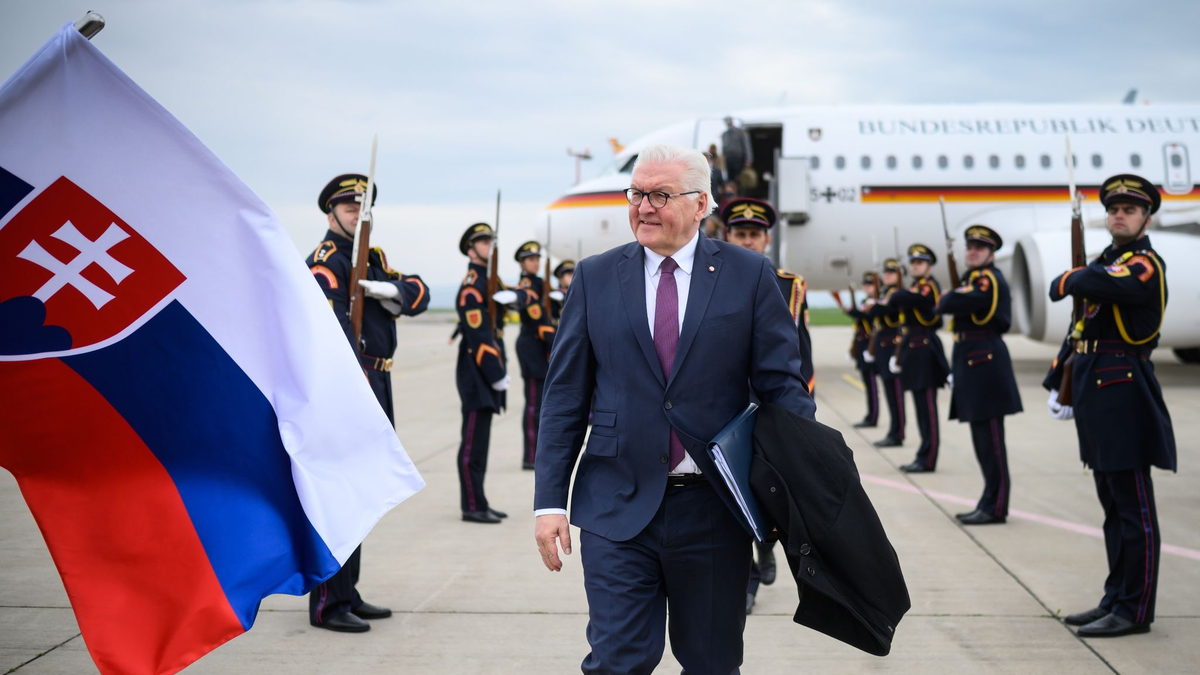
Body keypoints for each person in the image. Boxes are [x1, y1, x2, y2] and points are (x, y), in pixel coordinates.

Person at [534, 144, 815, 674]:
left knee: (712, 664)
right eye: (636, 194)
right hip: (615, 504)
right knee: (618, 660)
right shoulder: (595, 277)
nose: (643, 207)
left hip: (714, 510)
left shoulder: (749, 275)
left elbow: (783, 388)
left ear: (700, 203)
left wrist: (812, 480)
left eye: (660, 195)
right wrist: (549, 502)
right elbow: (564, 397)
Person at [1044, 174, 1175, 637]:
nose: (1119, 215)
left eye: (1130, 210)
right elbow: (1080, 323)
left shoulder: (1143, 265)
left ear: (1146, 219)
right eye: (1114, 209)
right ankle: (1114, 597)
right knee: (1113, 506)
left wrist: (1073, 276)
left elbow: (1084, 283)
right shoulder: (1105, 265)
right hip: (1096, 389)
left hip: (1124, 390)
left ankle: (1135, 609)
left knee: (1134, 507)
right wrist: (1057, 379)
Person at [305, 173, 431, 633]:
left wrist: (392, 291)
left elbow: (419, 292)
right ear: (331, 214)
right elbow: (330, 329)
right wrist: (351, 384)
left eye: (363, 206)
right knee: (339, 492)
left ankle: (348, 592)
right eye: (349, 207)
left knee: (360, 490)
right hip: (347, 385)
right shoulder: (326, 262)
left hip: (377, 379)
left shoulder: (371, 258)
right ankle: (328, 603)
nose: (358, 213)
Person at [719, 196, 814, 614]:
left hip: (772, 407)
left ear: (767, 239)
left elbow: (800, 351)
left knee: (770, 489)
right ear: (728, 236)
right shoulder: (711, 279)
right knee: (733, 493)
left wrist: (802, 412)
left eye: (755, 235)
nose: (748, 241)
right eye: (740, 234)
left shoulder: (789, 285)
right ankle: (748, 579)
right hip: (728, 408)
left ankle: (766, 547)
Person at [936, 226, 1023, 525]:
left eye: (980, 248)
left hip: (985, 362)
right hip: (972, 360)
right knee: (982, 440)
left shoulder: (988, 280)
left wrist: (950, 296)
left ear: (991, 253)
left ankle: (996, 506)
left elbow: (949, 303)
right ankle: (988, 500)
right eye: (970, 247)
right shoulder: (972, 279)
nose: (973, 251)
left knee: (991, 442)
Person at [455, 222, 511, 524]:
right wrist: (495, 372)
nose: (489, 245)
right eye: (483, 241)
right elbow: (478, 336)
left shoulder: (490, 281)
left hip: (486, 371)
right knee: (472, 442)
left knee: (482, 442)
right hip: (476, 371)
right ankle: (472, 505)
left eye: (490, 240)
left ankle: (481, 500)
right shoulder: (471, 286)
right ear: (471, 249)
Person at [886, 244, 950, 473]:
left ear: (929, 266)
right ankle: (923, 456)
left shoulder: (929, 286)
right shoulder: (915, 287)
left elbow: (909, 299)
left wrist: (898, 294)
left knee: (927, 409)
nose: (915, 266)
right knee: (920, 407)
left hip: (925, 348)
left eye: (920, 263)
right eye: (913, 263)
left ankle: (928, 458)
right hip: (913, 348)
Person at [512, 241, 557, 470]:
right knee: (533, 405)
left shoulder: (541, 284)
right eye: (531, 259)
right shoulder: (527, 287)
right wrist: (557, 343)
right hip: (532, 347)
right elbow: (539, 320)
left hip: (542, 347)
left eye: (537, 259)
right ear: (522, 263)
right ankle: (530, 455)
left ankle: (538, 451)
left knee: (542, 404)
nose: (536, 263)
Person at [868, 258, 907, 447]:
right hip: (883, 346)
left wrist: (875, 306)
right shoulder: (886, 293)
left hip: (893, 345)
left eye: (892, 272)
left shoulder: (898, 294)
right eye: (887, 272)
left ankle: (898, 433)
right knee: (890, 393)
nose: (887, 275)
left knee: (896, 393)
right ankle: (893, 430)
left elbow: (883, 311)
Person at [844, 271, 881, 429]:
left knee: (871, 384)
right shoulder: (865, 301)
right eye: (865, 284)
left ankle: (873, 416)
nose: (867, 287)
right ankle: (870, 414)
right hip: (861, 344)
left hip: (870, 345)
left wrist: (854, 311)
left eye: (870, 284)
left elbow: (868, 317)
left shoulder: (877, 303)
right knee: (867, 383)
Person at [720, 116, 753, 181]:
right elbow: (723, 148)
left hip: (738, 158)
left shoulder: (740, 132)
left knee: (739, 178)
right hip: (728, 158)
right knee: (730, 178)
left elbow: (746, 146)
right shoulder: (725, 134)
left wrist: (748, 160)